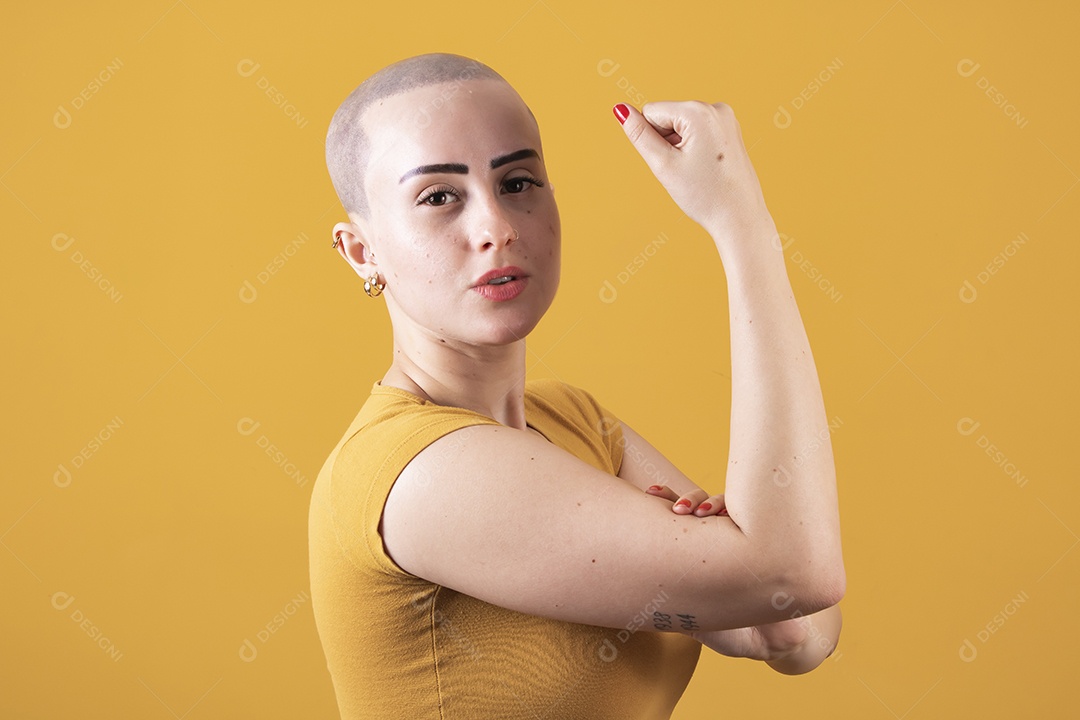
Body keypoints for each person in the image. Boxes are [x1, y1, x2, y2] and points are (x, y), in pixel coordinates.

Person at [309, 52, 845, 720]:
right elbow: (794, 574)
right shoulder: (417, 470)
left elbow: (795, 627)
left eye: (518, 182)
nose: (496, 228)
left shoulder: (571, 419)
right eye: (439, 197)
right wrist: (742, 227)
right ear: (362, 251)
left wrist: (750, 580)